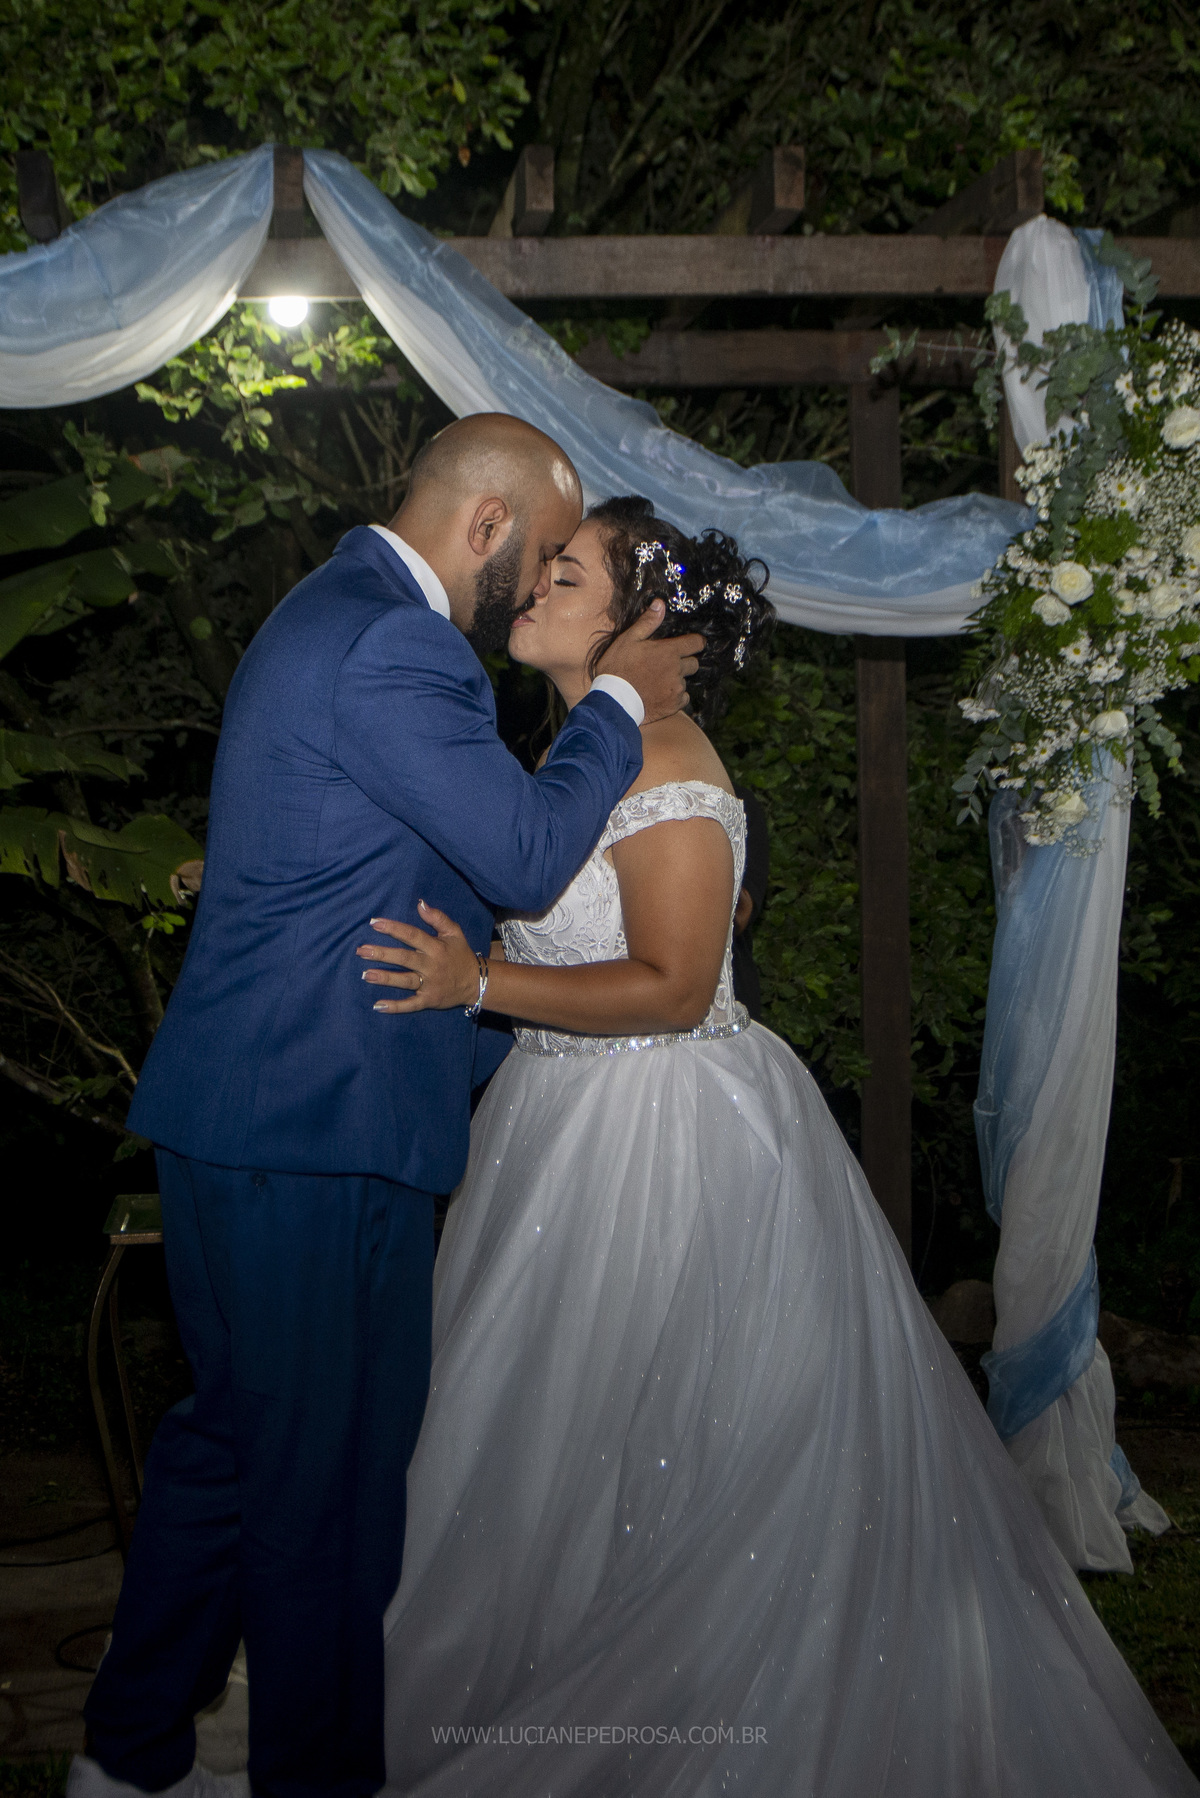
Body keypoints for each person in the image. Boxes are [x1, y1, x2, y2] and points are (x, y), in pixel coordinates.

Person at [359, 495, 1198, 1798]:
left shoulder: (671, 763)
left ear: (642, 619)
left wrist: (480, 984)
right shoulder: (576, 748)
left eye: (566, 573)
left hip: (666, 1140)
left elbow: (675, 986)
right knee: (553, 1445)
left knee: (676, 1445)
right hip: (561, 1122)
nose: (532, 586)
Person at [73, 425, 702, 1798]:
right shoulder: (394, 643)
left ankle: (128, 1755)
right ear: (486, 527)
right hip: (316, 1127)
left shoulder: (332, 608)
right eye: (542, 554)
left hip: (265, 1117)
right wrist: (616, 700)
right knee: (331, 1498)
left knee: (235, 1451)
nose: (540, 583)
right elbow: (525, 855)